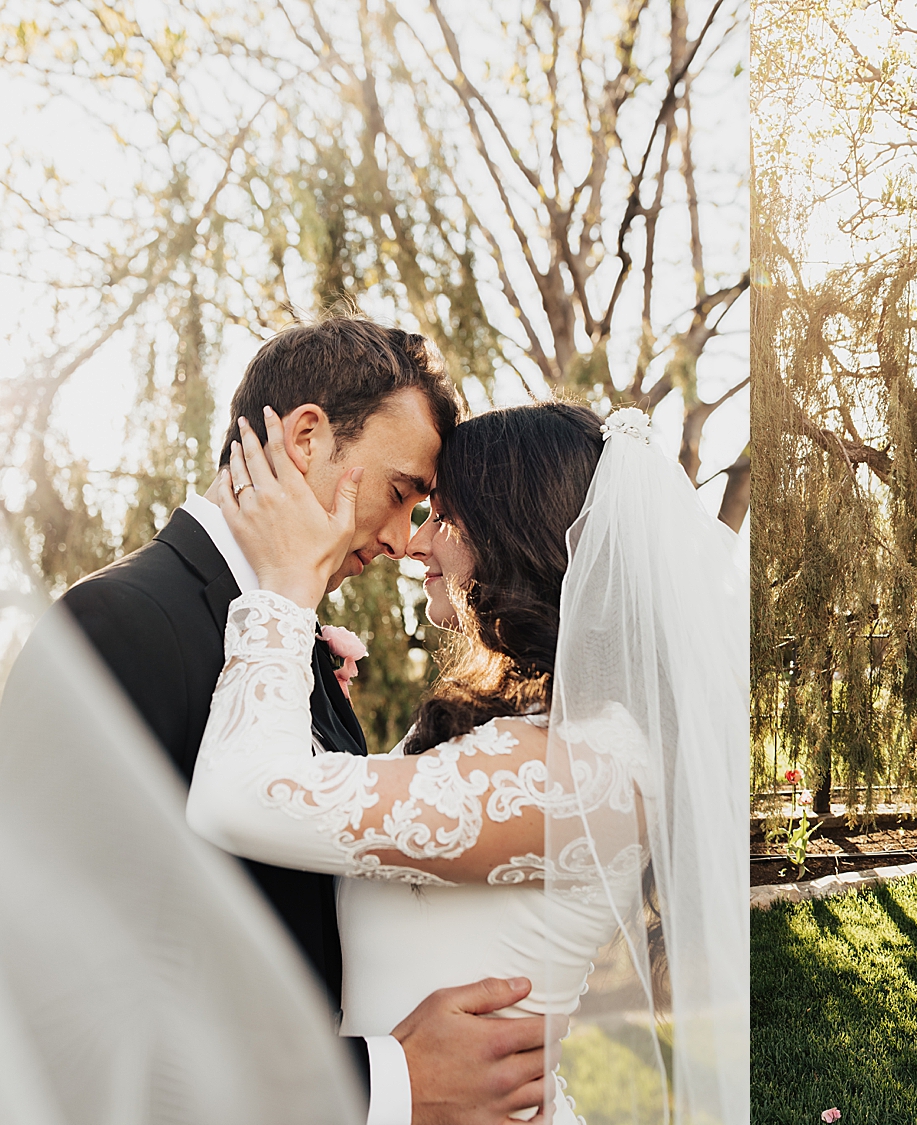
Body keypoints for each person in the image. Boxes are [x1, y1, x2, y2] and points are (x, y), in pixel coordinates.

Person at [24, 314, 549, 1124]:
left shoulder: (285, 642)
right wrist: (384, 1082)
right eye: (402, 492)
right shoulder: (118, 625)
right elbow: (54, 1002)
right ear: (307, 437)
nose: (404, 540)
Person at [185, 399, 749, 1123]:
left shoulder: (586, 769)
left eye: (443, 517)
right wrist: (307, 687)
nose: (416, 543)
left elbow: (239, 798)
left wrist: (282, 596)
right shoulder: (543, 738)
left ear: (514, 537)